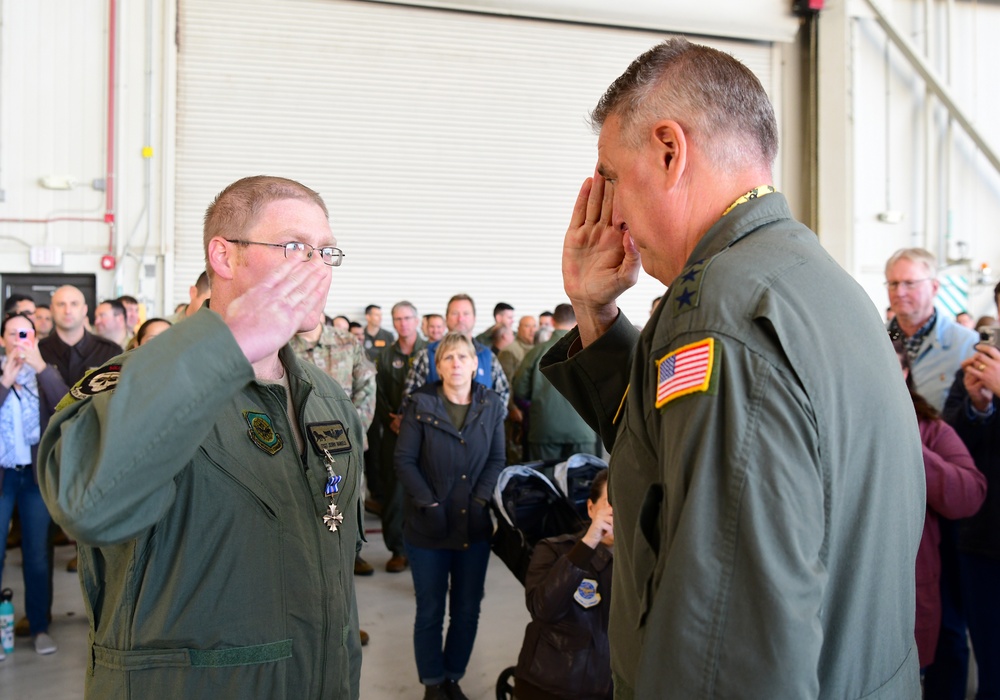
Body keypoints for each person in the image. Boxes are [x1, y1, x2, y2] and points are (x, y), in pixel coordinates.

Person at [539, 38, 924, 698]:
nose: (615, 213)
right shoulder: (811, 280)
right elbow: (671, 469)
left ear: (668, 150)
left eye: (611, 177)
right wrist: (595, 313)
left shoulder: (718, 312)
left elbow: (723, 647)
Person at [37, 175, 363, 699]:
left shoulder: (325, 398)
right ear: (224, 256)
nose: (318, 267)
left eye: (327, 251)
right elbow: (88, 503)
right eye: (296, 247)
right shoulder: (132, 385)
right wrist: (226, 345)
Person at [885, 248, 980, 698]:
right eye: (893, 283)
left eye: (910, 283)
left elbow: (969, 476)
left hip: (941, 502)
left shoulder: (964, 348)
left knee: (945, 626)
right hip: (893, 521)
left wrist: (912, 439)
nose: (900, 292)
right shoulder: (876, 338)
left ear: (935, 287)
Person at [394, 332, 505, 700]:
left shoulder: (492, 405)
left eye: (463, 357)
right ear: (438, 366)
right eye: (448, 358)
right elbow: (404, 461)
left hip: (473, 527)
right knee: (430, 610)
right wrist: (430, 504)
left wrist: (478, 502)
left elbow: (497, 459)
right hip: (427, 528)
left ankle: (453, 676)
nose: (456, 363)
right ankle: (432, 683)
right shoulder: (420, 404)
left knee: (467, 609)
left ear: (476, 364)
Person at [890, 339, 985, 670]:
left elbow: (970, 493)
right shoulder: (833, 423)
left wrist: (908, 444)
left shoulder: (928, 429)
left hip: (911, 588)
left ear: (904, 373)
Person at [0, 312, 68, 658]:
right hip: (3, 474)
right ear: (2, 339)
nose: (18, 340)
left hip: (35, 475)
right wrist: (4, 381)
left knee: (38, 554)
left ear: (35, 338)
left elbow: (67, 405)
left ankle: (39, 625)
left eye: (24, 334)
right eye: (12, 334)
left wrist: (40, 367)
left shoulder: (45, 369)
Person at [514, 468, 613, 700]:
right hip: (552, 687)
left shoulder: (641, 561)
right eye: (611, 502)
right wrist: (590, 542)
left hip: (612, 688)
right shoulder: (553, 549)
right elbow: (544, 609)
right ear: (591, 508)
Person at [943, 312, 1000, 698]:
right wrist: (978, 406)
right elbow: (952, 442)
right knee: (990, 664)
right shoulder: (986, 363)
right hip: (983, 535)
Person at [374, 301, 426, 573]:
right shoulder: (384, 356)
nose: (403, 323)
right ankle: (397, 549)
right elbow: (376, 392)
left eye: (407, 318)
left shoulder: (430, 352)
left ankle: (423, 548)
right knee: (394, 492)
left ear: (416, 320)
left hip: (424, 433)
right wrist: (390, 419)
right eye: (397, 319)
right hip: (394, 431)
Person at [514, 304, 597, 461]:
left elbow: (520, 389)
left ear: (552, 321)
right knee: (583, 481)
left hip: (544, 429)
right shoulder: (590, 352)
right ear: (577, 321)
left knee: (546, 482)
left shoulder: (536, 352)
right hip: (582, 429)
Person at [402, 294, 510, 411]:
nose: (460, 319)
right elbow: (409, 397)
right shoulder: (426, 355)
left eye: (466, 314)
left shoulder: (488, 356)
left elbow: (503, 393)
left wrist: (490, 422)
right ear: (446, 318)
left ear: (474, 318)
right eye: (455, 313)